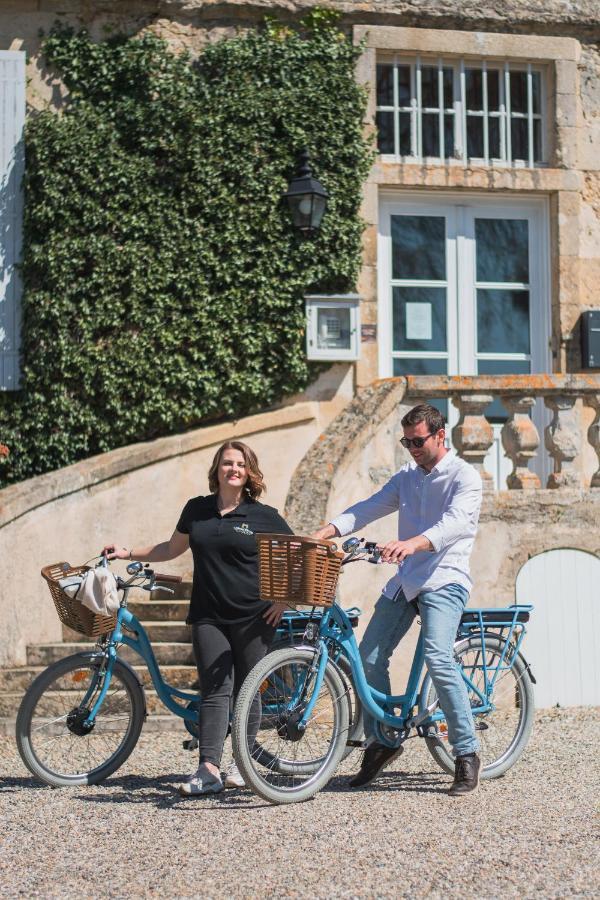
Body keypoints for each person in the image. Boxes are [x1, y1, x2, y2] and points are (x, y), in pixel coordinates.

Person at [102, 440, 292, 797]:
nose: (233, 469)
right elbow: (171, 548)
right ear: (217, 470)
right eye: (226, 463)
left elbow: (295, 554)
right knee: (214, 689)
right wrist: (127, 551)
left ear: (249, 472)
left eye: (240, 464)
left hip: (254, 616)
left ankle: (243, 763)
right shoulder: (197, 510)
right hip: (208, 613)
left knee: (248, 690)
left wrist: (282, 598)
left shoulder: (263, 515)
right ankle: (208, 769)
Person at [312, 403, 483, 796]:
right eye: (406, 441)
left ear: (441, 435)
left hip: (445, 577)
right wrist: (327, 531)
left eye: (417, 440)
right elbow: (370, 507)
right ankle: (384, 740)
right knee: (369, 656)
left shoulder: (465, 477)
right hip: (406, 579)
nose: (411, 448)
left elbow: (454, 524)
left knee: (439, 656)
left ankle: (467, 752)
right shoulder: (407, 476)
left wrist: (411, 544)